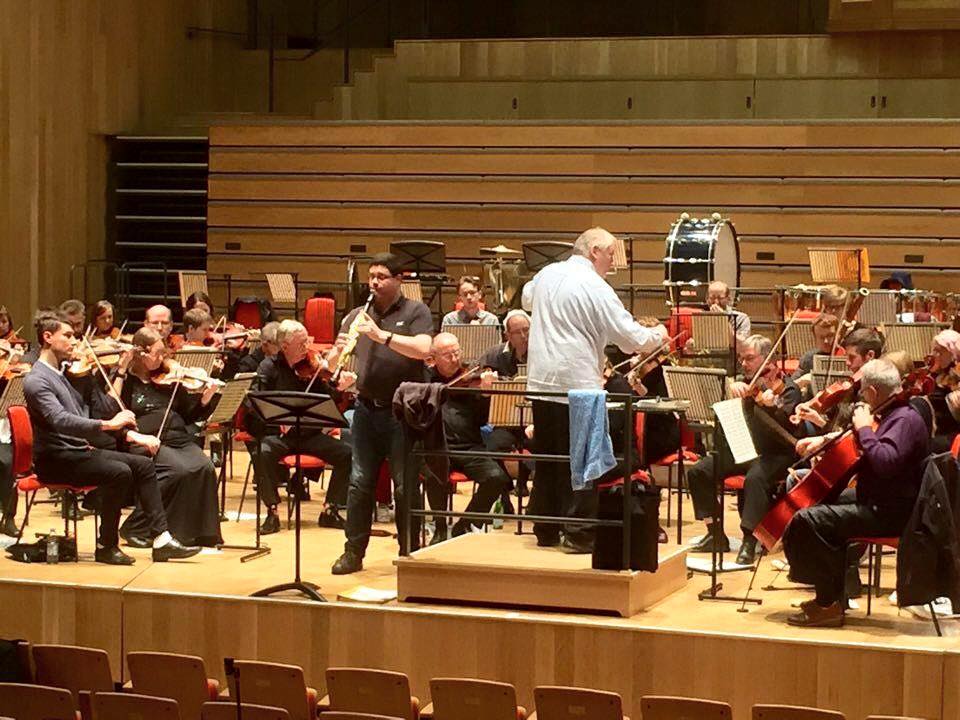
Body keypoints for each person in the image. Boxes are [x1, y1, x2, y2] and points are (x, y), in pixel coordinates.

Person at [521, 227, 667, 553]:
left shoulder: (546, 274)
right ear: (593, 251)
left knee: (550, 459)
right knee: (585, 460)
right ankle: (579, 533)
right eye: (611, 253)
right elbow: (632, 340)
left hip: (541, 382)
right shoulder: (596, 286)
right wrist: (659, 332)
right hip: (579, 384)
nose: (613, 261)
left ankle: (546, 527)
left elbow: (526, 297)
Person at [22, 313, 199, 564]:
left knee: (143, 464)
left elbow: (97, 409)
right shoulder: (37, 380)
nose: (75, 341)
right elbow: (61, 420)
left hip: (76, 451)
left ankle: (161, 540)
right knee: (119, 472)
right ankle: (107, 545)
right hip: (56, 458)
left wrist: (120, 412)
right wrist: (108, 424)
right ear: (48, 337)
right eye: (68, 336)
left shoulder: (63, 374)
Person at [784, 358, 930, 627]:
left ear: (873, 392)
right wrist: (830, 440)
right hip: (877, 500)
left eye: (863, 391)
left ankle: (829, 604)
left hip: (892, 512)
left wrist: (863, 427)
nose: (861, 396)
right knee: (814, 503)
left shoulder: (905, 420)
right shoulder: (891, 414)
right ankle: (834, 594)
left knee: (809, 520)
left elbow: (885, 462)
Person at [329, 252, 434, 575]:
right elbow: (336, 363)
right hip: (365, 409)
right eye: (371, 276)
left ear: (398, 279)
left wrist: (382, 336)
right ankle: (353, 552)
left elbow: (424, 349)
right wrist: (337, 363)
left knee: (404, 486)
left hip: (401, 413)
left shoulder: (417, 311)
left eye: (381, 276)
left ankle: (409, 551)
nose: (374, 282)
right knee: (359, 483)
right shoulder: (357, 315)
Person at [686, 334, 801, 565]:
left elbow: (788, 430)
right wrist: (730, 387)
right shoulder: (745, 385)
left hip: (776, 454)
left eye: (749, 358)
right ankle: (715, 533)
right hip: (744, 450)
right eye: (742, 359)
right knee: (699, 471)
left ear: (769, 360)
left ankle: (750, 540)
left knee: (755, 479)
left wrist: (771, 408)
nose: (744, 364)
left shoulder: (788, 390)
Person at [115, 327, 222, 547]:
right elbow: (111, 413)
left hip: (179, 439)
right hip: (146, 441)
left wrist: (205, 399)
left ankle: (198, 533)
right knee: (178, 472)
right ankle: (136, 527)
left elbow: (188, 415)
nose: (164, 358)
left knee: (205, 468)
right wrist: (138, 437)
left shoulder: (168, 380)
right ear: (142, 354)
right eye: (159, 353)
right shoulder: (126, 383)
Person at [254, 320, 353, 534]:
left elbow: (326, 398)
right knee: (262, 452)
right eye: (301, 344)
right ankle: (272, 512)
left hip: (308, 434)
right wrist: (275, 421)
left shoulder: (312, 368)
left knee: (347, 454)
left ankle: (330, 509)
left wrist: (340, 389)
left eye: (306, 343)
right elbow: (255, 403)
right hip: (280, 436)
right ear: (285, 345)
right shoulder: (268, 367)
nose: (306, 349)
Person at [427, 333, 511, 538]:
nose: (455, 359)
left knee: (496, 477)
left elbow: (483, 420)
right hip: (437, 446)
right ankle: (439, 527)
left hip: (469, 447)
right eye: (448, 355)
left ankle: (465, 524)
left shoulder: (470, 378)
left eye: (457, 353)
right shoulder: (425, 379)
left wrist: (485, 395)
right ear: (434, 357)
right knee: (435, 474)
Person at [927, 329, 960, 454]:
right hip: (933, 428)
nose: (934, 355)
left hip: (949, 433)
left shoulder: (956, 378)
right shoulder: (934, 374)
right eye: (934, 350)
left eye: (939, 351)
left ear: (953, 354)